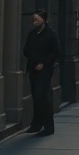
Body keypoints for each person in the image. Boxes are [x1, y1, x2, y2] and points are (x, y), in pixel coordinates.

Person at [23, 8, 60, 136]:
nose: (35, 23)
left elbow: (55, 52)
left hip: (45, 70)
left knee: (42, 96)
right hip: (33, 68)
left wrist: (43, 63)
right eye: (34, 20)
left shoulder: (51, 34)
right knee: (36, 96)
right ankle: (36, 125)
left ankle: (49, 127)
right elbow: (26, 50)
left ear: (44, 20)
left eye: (37, 20)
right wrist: (33, 59)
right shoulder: (32, 34)